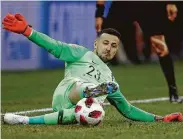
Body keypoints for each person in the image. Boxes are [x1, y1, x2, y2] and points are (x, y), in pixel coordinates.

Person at [2, 13, 182, 125]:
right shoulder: (81, 53)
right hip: (68, 92)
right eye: (105, 43)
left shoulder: (110, 79)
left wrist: (160, 118)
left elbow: (127, 109)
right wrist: (27, 31)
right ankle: (90, 92)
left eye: (113, 46)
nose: (109, 48)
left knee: (89, 113)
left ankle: (25, 120)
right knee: (85, 89)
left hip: (77, 109)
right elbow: (54, 46)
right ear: (96, 44)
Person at [95, 1, 183, 103]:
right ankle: (92, 92)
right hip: (123, 4)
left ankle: (173, 93)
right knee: (105, 39)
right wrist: (99, 14)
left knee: (160, 46)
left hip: (147, 5)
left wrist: (170, 2)